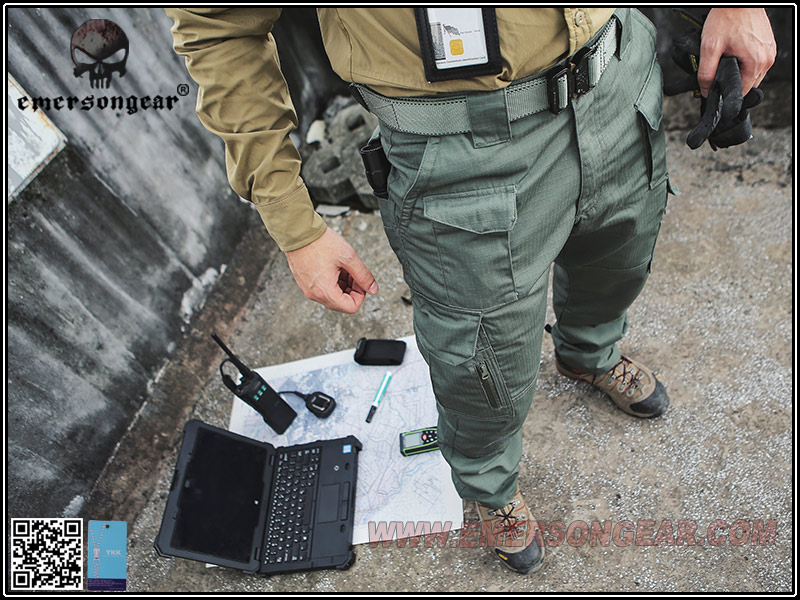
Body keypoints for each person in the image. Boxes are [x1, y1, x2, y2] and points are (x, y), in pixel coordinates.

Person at [165, 7, 776, 575]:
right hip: (461, 147)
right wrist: (294, 225)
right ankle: (491, 485)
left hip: (615, 74)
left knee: (618, 260)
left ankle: (589, 353)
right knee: (480, 360)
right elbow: (218, 27)